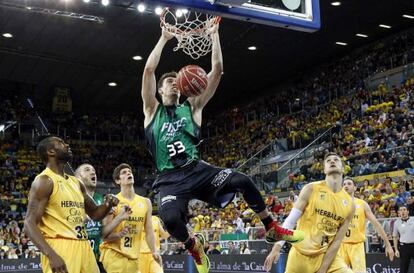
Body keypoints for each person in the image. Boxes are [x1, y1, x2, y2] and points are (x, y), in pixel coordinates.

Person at [141, 19, 303, 273]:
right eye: (169, 81)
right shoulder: (152, 111)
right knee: (170, 220)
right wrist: (163, 39)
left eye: (176, 80)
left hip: (197, 170)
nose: (174, 82)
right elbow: (149, 70)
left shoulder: (192, 107)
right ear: (160, 90)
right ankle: (194, 246)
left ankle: (270, 226)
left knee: (242, 180)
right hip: (169, 179)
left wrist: (214, 35)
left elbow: (216, 70)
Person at [24, 136, 118, 273]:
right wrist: (51, 255)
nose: (67, 145)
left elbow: (95, 214)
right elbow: (29, 224)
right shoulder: (44, 181)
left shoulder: (76, 182)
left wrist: (108, 203)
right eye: (61, 143)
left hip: (84, 246)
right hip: (60, 246)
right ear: (51, 152)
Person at [264, 152, 355, 273]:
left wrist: (323, 269)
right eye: (328, 161)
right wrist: (277, 248)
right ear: (324, 170)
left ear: (343, 168)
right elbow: (290, 221)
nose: (332, 161)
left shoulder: (350, 204)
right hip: (300, 255)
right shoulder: (310, 189)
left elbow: (337, 241)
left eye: (336, 160)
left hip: (326, 257)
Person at [99, 163, 161, 273]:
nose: (128, 173)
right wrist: (119, 233)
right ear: (118, 181)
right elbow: (105, 236)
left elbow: (149, 231)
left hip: (133, 257)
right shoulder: (113, 201)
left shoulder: (146, 202)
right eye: (124, 172)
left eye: (130, 171)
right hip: (114, 254)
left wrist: (154, 251)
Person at [341, 177, 394, 272]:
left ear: (355, 187)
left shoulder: (362, 204)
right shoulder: (337, 204)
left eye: (349, 184)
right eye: (344, 184)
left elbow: (376, 224)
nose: (346, 186)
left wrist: (388, 244)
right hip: (340, 245)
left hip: (356, 245)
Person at [75, 164, 105, 272]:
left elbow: (105, 231)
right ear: (77, 177)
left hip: (100, 259)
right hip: (78, 259)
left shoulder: (101, 199)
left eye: (94, 170)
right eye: (87, 170)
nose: (93, 173)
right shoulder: (72, 199)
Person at [393, 205, 414, 273]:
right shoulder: (396, 223)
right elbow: (395, 237)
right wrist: (396, 250)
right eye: (401, 210)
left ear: (408, 212)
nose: (403, 211)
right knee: (403, 269)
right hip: (404, 247)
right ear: (398, 212)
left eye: (404, 210)